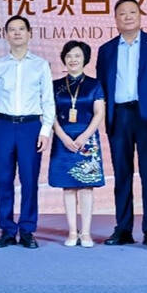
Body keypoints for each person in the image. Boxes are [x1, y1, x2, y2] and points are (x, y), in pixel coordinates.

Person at [96, 0, 147, 248]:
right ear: (115, 19)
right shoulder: (106, 50)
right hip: (119, 116)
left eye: (133, 12)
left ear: (140, 16)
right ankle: (123, 229)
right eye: (122, 13)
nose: (128, 17)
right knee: (122, 174)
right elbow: (102, 86)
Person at [0, 15, 55, 249]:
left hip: (31, 127)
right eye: (12, 30)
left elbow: (48, 100)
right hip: (4, 126)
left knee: (29, 180)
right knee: (4, 180)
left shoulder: (41, 65)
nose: (17, 33)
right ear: (6, 35)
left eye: (21, 29)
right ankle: (7, 230)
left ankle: (27, 230)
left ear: (29, 33)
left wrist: (45, 130)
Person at [48, 40, 105, 248]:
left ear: (85, 59)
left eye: (77, 56)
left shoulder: (94, 84)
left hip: (87, 141)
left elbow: (99, 113)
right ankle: (72, 232)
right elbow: (50, 114)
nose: (73, 59)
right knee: (69, 187)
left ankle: (86, 233)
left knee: (86, 187)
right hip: (63, 138)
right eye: (69, 56)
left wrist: (84, 137)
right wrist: (63, 137)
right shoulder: (55, 85)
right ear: (64, 58)